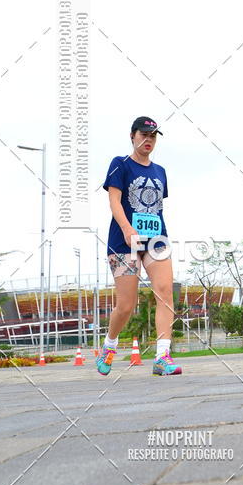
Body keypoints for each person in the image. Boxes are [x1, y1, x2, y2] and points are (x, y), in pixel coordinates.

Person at [96, 116, 182, 376]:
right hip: (124, 241)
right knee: (126, 305)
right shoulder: (119, 165)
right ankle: (109, 346)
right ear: (132, 136)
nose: (148, 140)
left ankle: (162, 357)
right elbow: (115, 201)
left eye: (153, 136)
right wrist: (127, 228)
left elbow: (155, 207)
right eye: (144, 135)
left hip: (156, 238)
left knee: (166, 292)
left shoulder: (160, 172)